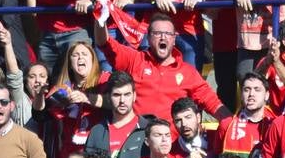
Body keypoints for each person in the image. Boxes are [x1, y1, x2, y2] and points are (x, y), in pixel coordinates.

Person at [94, 12, 225, 124]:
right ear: (149, 38)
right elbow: (105, 44)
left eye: (167, 33)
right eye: (157, 33)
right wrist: (100, 19)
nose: (163, 37)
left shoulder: (188, 72)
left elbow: (212, 103)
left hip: (171, 144)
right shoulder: (135, 59)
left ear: (174, 39)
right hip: (137, 139)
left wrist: (232, 123)